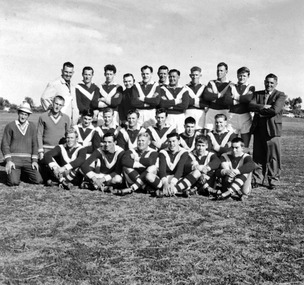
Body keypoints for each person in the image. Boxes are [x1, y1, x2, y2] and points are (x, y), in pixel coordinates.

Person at [249, 73, 287, 189]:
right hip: (258, 129)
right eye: (267, 82)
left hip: (272, 130)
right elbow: (250, 106)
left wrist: (259, 111)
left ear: (276, 84)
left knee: (273, 157)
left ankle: (273, 180)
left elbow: (275, 110)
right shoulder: (257, 94)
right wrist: (262, 107)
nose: (269, 85)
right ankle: (257, 179)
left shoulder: (280, 95)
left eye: (271, 83)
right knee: (258, 156)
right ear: (264, 82)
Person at [1, 102, 43, 186]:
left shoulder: (32, 126)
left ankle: (22, 173)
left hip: (28, 161)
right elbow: (4, 144)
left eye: (25, 115)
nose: (23, 116)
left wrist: (34, 161)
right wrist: (8, 161)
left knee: (39, 180)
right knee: (13, 182)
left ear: (28, 116)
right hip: (14, 160)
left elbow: (35, 144)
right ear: (18, 113)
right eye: (21, 114)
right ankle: (12, 174)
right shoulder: (10, 126)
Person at [144, 132, 197, 197]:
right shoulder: (163, 152)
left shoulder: (184, 152)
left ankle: (171, 190)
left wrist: (172, 183)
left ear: (179, 142)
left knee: (197, 173)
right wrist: (165, 183)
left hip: (178, 179)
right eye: (169, 142)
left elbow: (180, 170)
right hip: (165, 179)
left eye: (174, 141)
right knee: (148, 175)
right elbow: (162, 170)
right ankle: (173, 190)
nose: (172, 144)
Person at [229, 67, 255, 150]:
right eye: (240, 75)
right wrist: (242, 100)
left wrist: (235, 97)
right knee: (231, 145)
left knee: (245, 146)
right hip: (232, 117)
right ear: (237, 76)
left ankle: (245, 162)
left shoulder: (250, 87)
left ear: (248, 77)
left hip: (245, 117)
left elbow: (248, 99)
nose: (242, 78)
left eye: (244, 76)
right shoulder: (231, 86)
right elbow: (226, 100)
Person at [37, 95, 70, 160]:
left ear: (63, 106)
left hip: (60, 150)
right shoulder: (43, 116)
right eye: (56, 104)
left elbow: (68, 134)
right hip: (46, 149)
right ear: (52, 103)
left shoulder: (66, 118)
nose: (58, 107)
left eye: (60, 105)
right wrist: (40, 151)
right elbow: (39, 134)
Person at [202, 62, 233, 131]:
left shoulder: (230, 84)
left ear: (226, 71)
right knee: (208, 132)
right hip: (212, 110)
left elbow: (227, 100)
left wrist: (213, 98)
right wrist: (220, 96)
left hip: (225, 111)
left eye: (221, 70)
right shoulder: (211, 83)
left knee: (225, 133)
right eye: (218, 70)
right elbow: (206, 96)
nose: (219, 72)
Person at [159, 69, 189, 133]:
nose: (172, 79)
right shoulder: (163, 89)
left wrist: (169, 105)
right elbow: (162, 104)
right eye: (170, 77)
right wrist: (176, 102)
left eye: (174, 77)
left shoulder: (184, 89)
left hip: (180, 117)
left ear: (178, 77)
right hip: (168, 117)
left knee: (180, 136)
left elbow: (185, 105)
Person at [185, 66, 208, 130]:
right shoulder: (185, 87)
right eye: (193, 75)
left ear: (200, 75)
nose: (194, 77)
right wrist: (199, 101)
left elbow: (206, 103)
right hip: (189, 112)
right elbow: (186, 102)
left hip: (200, 113)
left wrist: (192, 101)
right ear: (190, 75)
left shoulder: (204, 87)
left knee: (199, 132)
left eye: (196, 75)